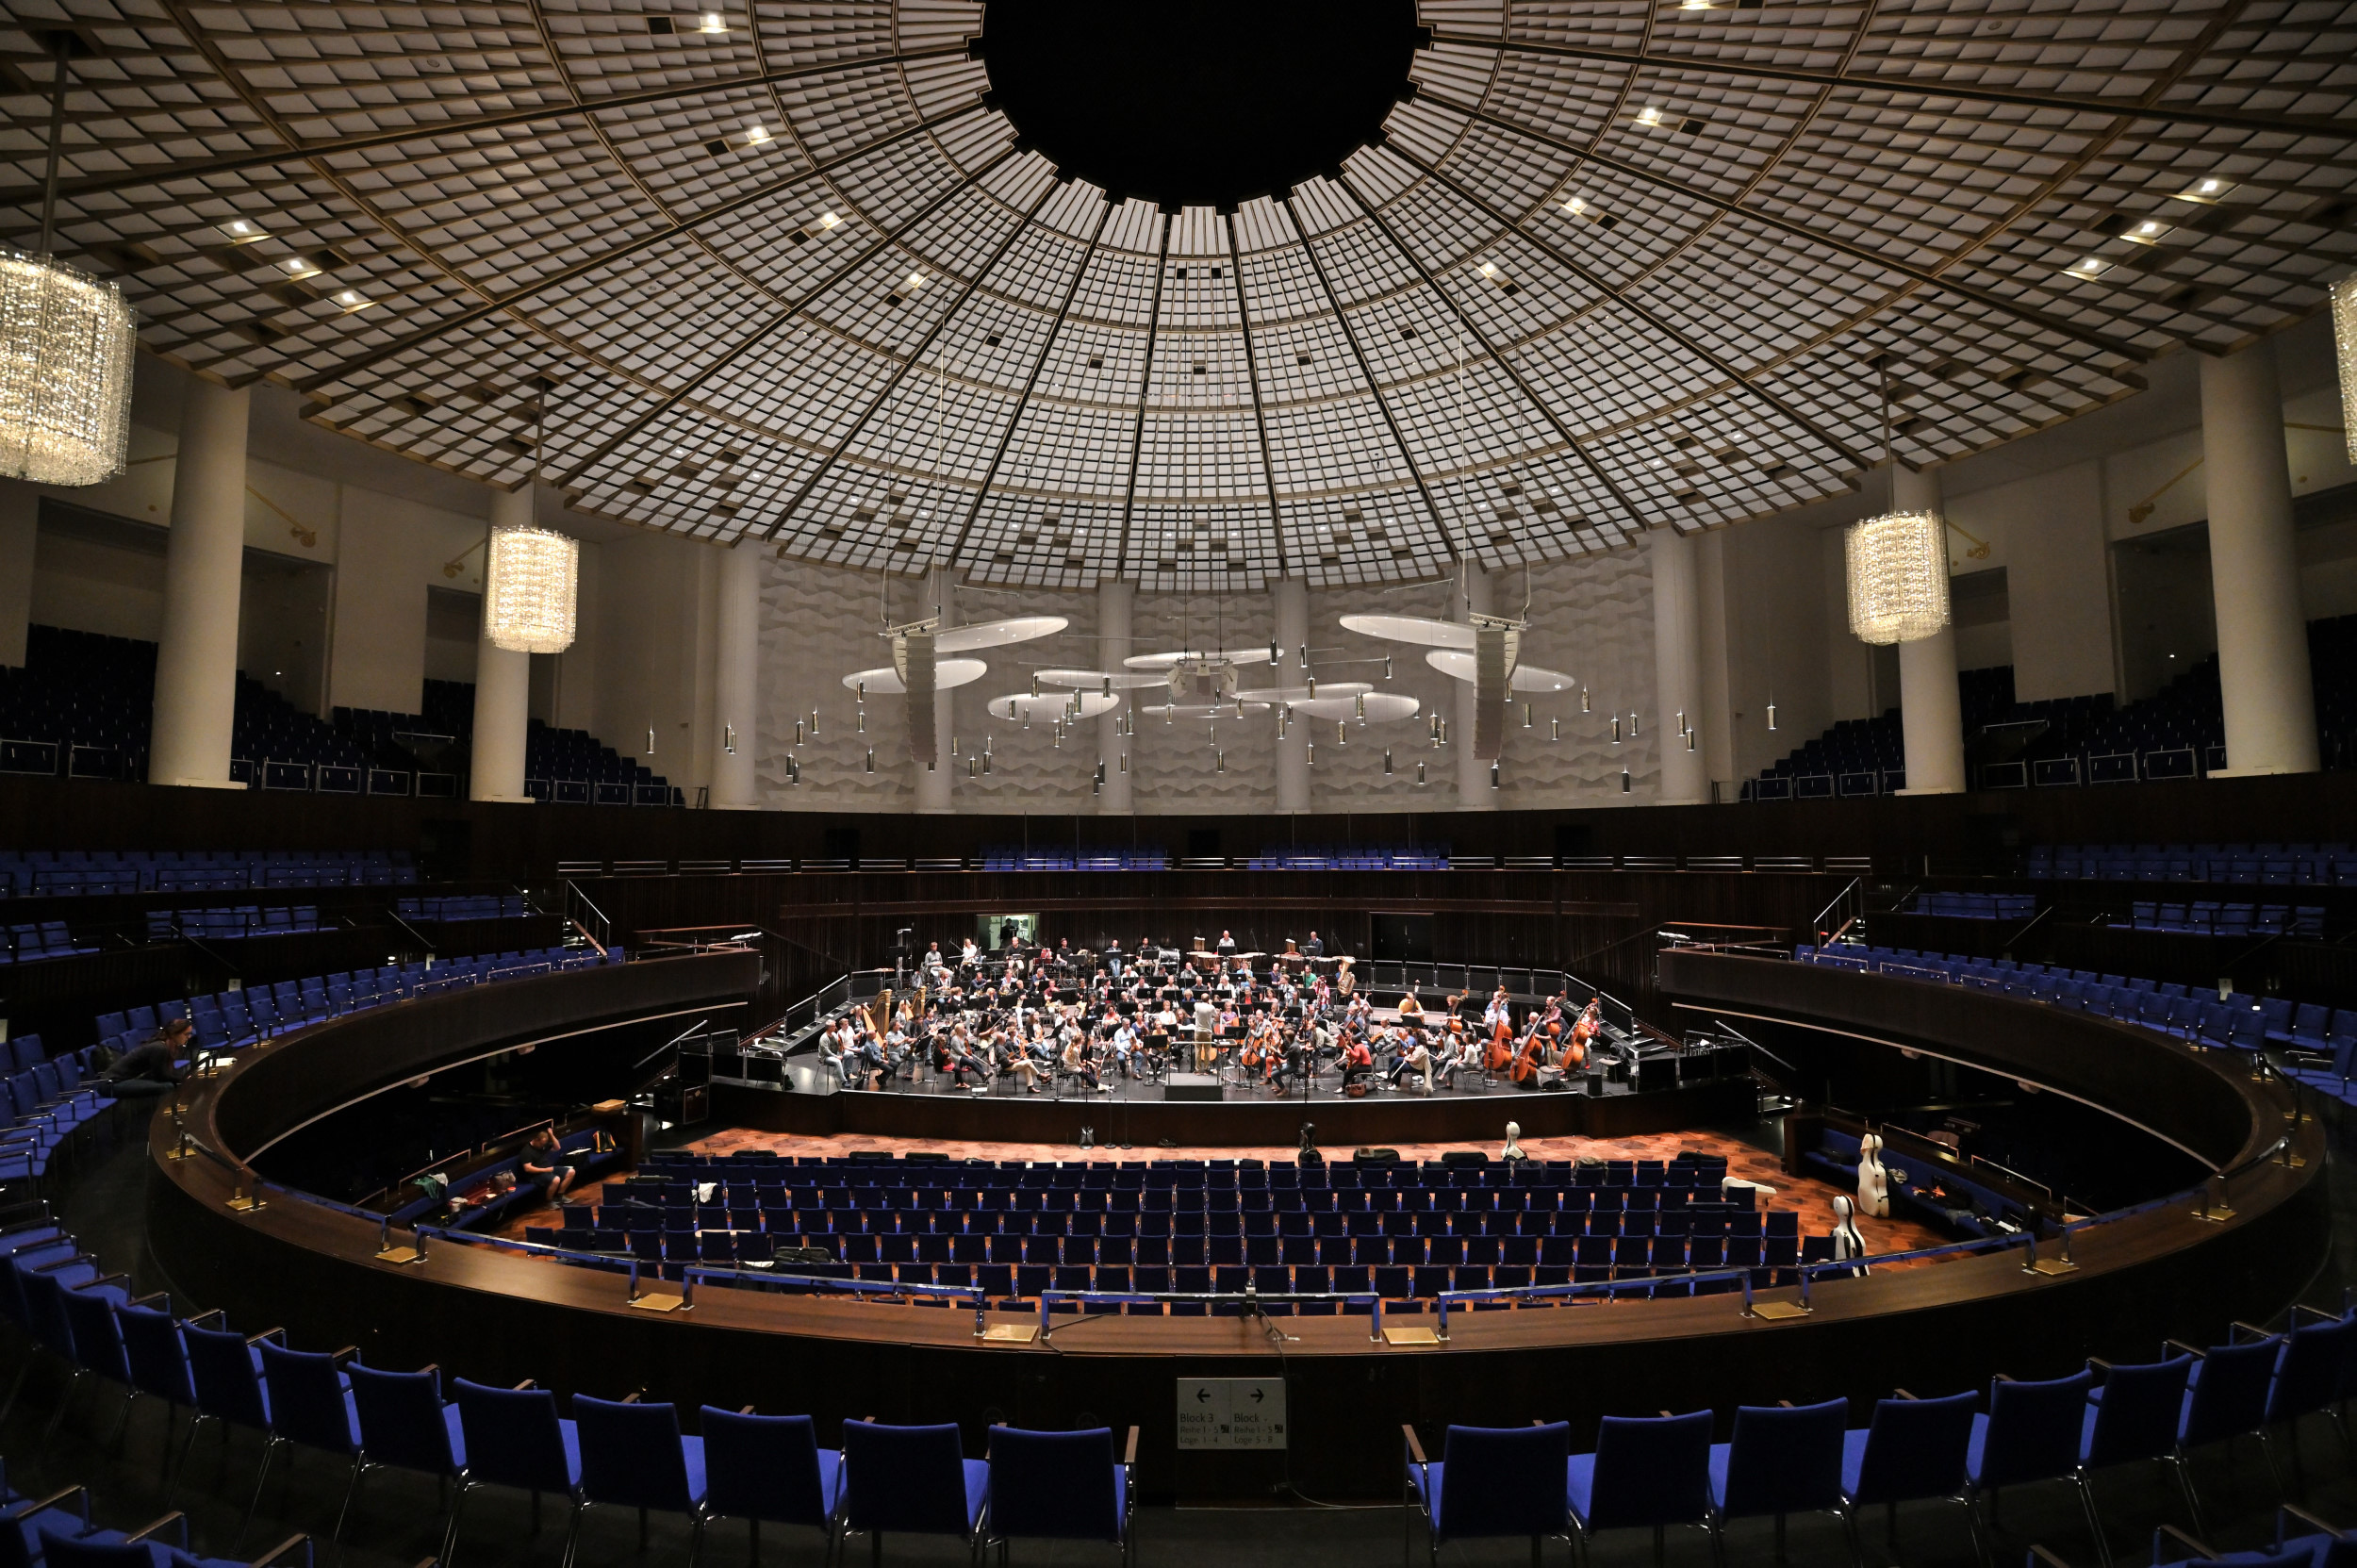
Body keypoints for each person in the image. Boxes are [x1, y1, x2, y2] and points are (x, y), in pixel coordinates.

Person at [98, 1018, 192, 1098]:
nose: (189, 1037)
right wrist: (183, 1078)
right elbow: (161, 1076)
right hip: (111, 1084)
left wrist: (183, 1078)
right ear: (173, 1034)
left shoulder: (166, 1046)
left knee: (172, 1083)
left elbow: (166, 1072)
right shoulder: (159, 1048)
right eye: (186, 1034)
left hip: (125, 1080)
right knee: (167, 1086)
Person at [520, 1127, 577, 1203]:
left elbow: (557, 1147)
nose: (542, 1146)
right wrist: (545, 1170)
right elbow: (528, 1168)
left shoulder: (543, 1145)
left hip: (548, 1169)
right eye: (541, 1144)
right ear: (536, 1140)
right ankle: (549, 1202)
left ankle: (560, 1196)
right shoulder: (526, 1151)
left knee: (571, 1172)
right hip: (536, 1175)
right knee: (556, 1179)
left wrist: (551, 1135)